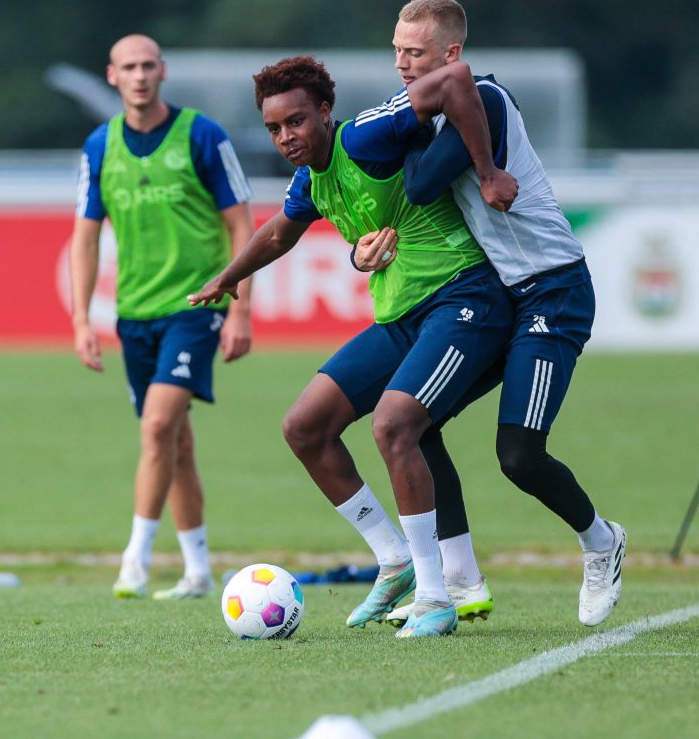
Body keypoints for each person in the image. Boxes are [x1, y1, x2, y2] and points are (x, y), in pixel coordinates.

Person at [190, 55, 518, 638]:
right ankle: (394, 560)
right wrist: (228, 276)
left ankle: (437, 597)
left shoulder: (367, 135)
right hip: (402, 317)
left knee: (394, 427)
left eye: (295, 122)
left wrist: (488, 168)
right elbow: (276, 234)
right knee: (304, 426)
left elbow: (454, 82)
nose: (285, 137)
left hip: (464, 299)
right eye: (273, 129)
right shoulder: (310, 181)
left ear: (324, 112)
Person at [361, 0, 627, 628]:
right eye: (396, 49)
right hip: (504, 296)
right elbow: (398, 170)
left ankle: (602, 543)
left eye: (415, 52)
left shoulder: (489, 100)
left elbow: (422, 183)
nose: (401, 63)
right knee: (415, 426)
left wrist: (421, 154)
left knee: (519, 456)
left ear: (451, 55)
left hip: (553, 293)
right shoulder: (431, 112)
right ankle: (458, 580)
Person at [70, 34, 255, 601]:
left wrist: (241, 310)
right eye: (130, 67)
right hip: (135, 316)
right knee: (174, 444)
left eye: (149, 65)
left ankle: (135, 560)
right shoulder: (100, 146)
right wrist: (81, 319)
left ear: (163, 71)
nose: (141, 75)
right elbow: (85, 237)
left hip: (196, 307)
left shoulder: (201, 135)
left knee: (155, 428)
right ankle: (198, 571)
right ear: (112, 76)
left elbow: (242, 225)